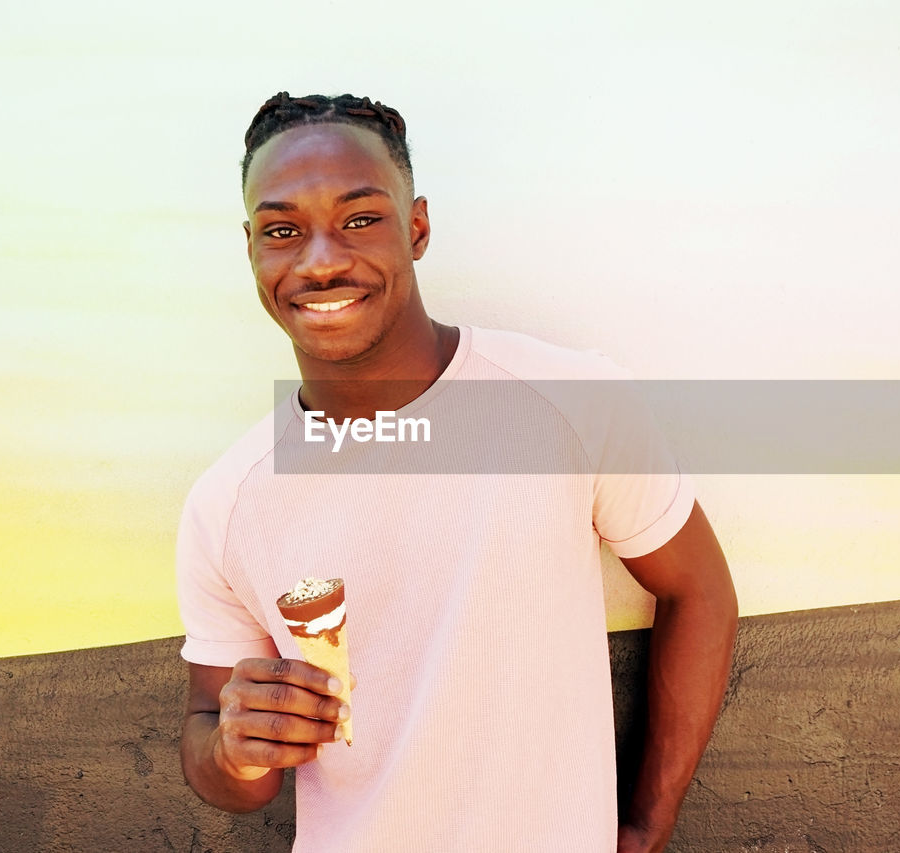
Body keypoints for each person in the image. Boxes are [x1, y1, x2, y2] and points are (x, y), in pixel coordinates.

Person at [176, 92, 738, 853]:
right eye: (282, 231)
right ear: (252, 251)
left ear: (417, 228)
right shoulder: (229, 501)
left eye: (360, 218)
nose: (321, 258)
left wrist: (646, 821)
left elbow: (698, 588)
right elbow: (214, 748)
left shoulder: (566, 400)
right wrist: (234, 748)